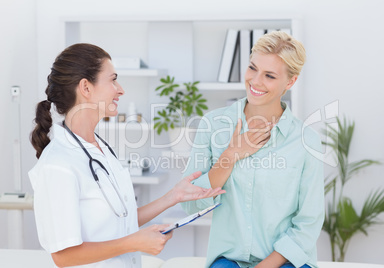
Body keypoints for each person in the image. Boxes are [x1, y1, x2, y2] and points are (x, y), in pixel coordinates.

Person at [29, 43, 225, 268]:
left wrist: (173, 197)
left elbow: (121, 220)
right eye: (112, 79)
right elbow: (63, 255)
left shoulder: (100, 149)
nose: (120, 89)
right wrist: (133, 243)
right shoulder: (58, 164)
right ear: (86, 87)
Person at [181, 31, 324, 268]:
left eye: (269, 75)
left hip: (285, 260)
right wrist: (230, 155)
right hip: (229, 260)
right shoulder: (212, 125)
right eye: (252, 68)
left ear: (290, 82)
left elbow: (309, 221)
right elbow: (190, 204)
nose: (255, 81)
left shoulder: (305, 140)